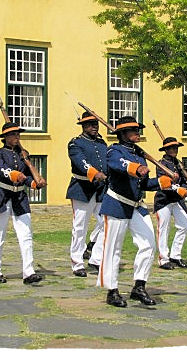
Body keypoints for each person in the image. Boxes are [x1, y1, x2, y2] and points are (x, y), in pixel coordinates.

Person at [98, 116, 173, 307]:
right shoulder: (113, 150)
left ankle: (139, 286)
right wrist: (135, 167)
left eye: (138, 130)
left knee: (149, 244)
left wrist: (160, 183)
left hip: (137, 205)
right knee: (113, 249)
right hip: (117, 203)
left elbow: (143, 183)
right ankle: (112, 290)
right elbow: (118, 164)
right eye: (133, 130)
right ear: (123, 134)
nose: (138, 133)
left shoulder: (139, 154)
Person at [0, 122, 46, 284]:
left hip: (20, 197)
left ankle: (29, 271)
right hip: (3, 195)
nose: (16, 137)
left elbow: (26, 177)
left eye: (18, 134)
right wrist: (14, 174)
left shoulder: (24, 155)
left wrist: (34, 184)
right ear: (5, 137)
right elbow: (2, 170)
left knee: (26, 235)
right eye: (13, 134)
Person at [66, 112, 108, 277]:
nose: (94, 127)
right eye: (90, 124)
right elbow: (80, 161)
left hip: (101, 188)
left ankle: (96, 259)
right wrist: (94, 172)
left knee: (106, 223)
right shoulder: (75, 143)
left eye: (96, 124)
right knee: (80, 226)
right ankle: (77, 263)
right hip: (82, 187)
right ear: (83, 126)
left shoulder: (102, 143)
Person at [154, 137, 187, 270]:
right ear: (166, 150)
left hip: (177, 200)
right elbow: (164, 183)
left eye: (176, 148)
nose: (174, 150)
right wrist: (179, 189)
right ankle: (163, 259)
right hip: (164, 199)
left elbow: (184, 181)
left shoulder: (178, 164)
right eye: (171, 148)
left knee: (185, 225)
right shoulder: (161, 164)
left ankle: (175, 255)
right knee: (164, 229)